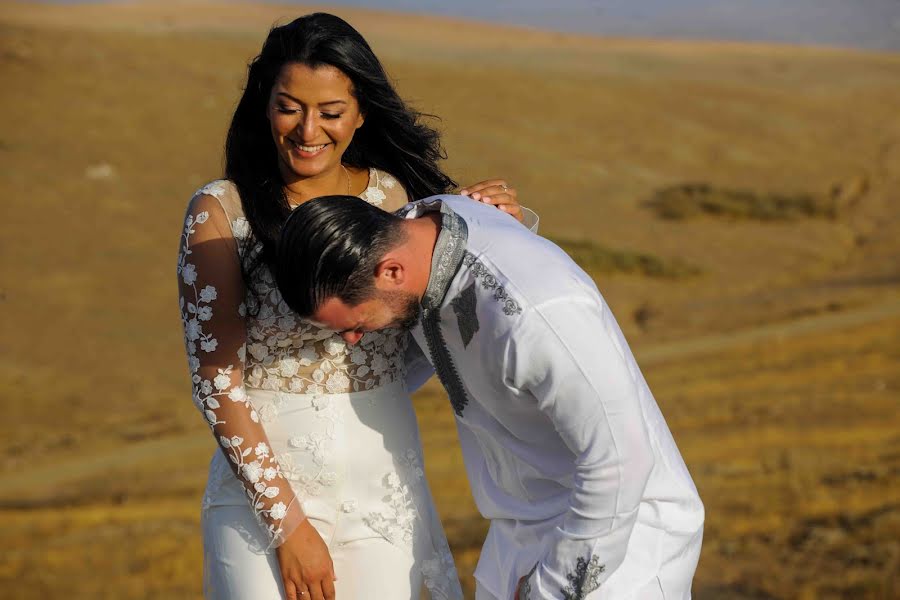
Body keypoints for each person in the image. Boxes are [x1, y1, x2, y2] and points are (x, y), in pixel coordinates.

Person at [176, 13, 533, 600]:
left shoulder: (392, 197)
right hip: (261, 500)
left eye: (331, 112)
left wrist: (493, 222)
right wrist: (288, 528)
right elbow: (217, 382)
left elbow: (443, 314)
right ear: (265, 105)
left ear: (361, 113)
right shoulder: (220, 212)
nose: (308, 129)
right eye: (289, 106)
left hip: (383, 481)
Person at [275, 194, 705, 600]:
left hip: (620, 546)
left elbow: (620, 464)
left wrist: (552, 589)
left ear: (391, 272)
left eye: (357, 323)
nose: (352, 341)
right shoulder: (414, 231)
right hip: (513, 537)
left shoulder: (541, 314)